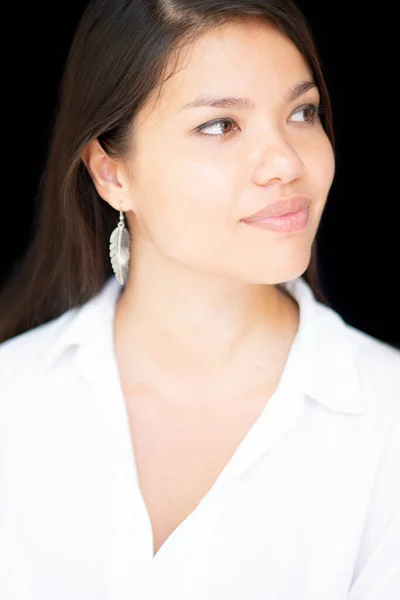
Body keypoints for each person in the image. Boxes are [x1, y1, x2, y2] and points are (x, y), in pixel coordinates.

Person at [0, 0, 399, 598]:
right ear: (112, 173)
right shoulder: (14, 400)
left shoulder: (385, 424)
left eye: (303, 112)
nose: (286, 163)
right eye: (220, 125)